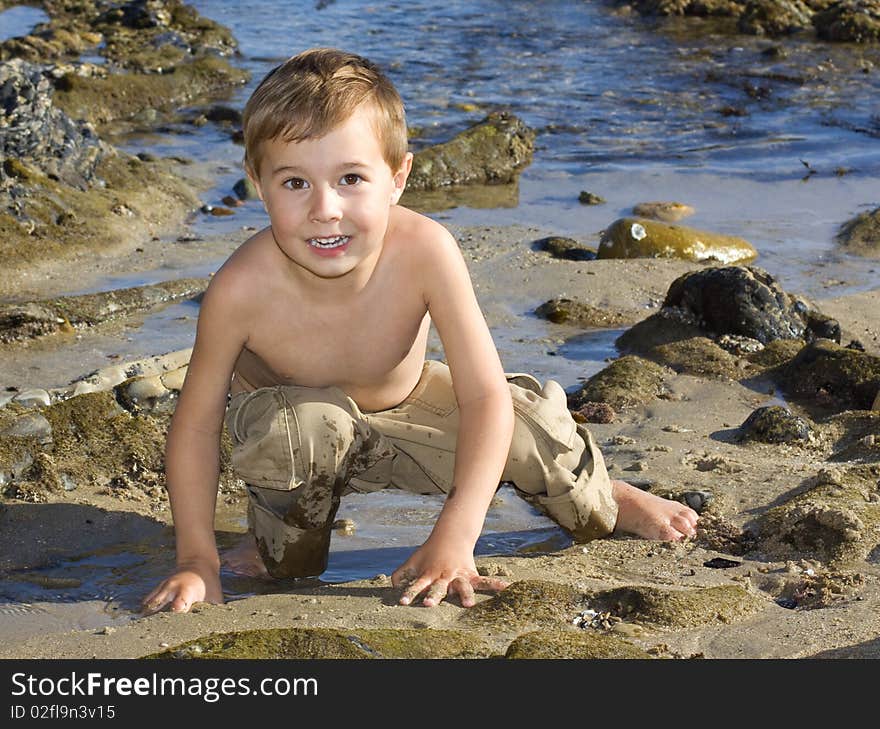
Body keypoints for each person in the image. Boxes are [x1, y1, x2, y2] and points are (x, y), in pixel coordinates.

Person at [142, 47, 698, 615]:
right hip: (302, 443)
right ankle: (278, 544)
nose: (326, 209)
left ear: (397, 177)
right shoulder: (240, 288)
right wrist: (196, 560)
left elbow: (482, 396)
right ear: (258, 184)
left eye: (351, 177)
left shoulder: (427, 251)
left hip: (413, 410)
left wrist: (456, 538)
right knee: (297, 469)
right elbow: (196, 423)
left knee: (528, 423)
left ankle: (605, 496)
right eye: (294, 184)